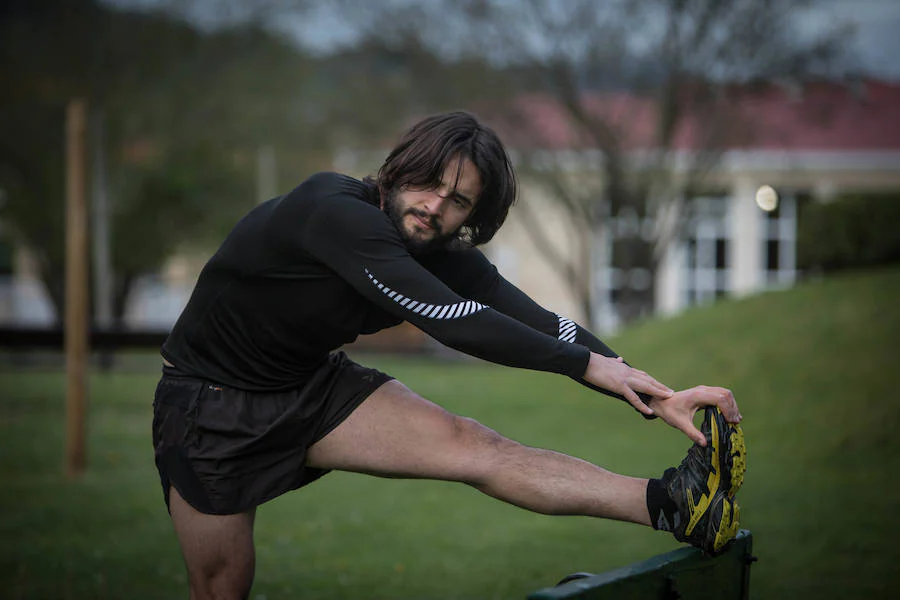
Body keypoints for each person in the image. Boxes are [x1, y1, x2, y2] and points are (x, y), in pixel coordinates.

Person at [153, 111, 746, 600]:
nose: (435, 206)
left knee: (475, 447)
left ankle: (677, 504)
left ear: (473, 216)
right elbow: (455, 321)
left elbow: (542, 323)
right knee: (221, 588)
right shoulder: (333, 210)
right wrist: (586, 367)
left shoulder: (443, 253)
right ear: (397, 171)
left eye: (458, 200)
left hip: (307, 383)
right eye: (428, 183)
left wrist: (651, 390)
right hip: (211, 402)